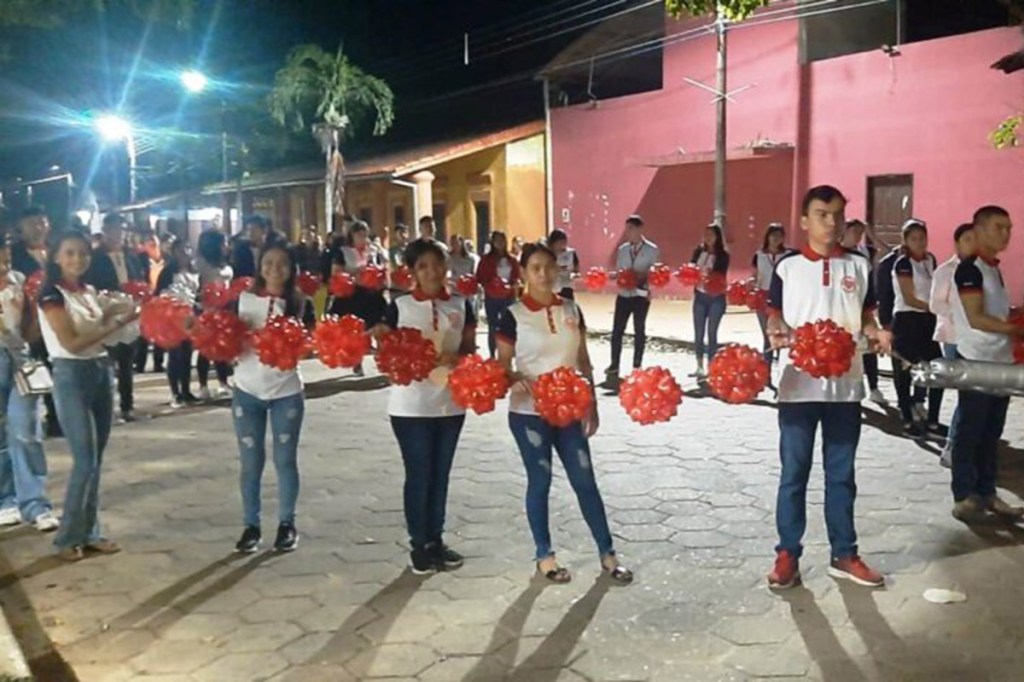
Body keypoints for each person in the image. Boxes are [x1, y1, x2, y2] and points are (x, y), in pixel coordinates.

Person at [766, 185, 891, 590]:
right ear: (804, 221)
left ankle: (844, 553)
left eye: (837, 213)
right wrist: (776, 331)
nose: (832, 221)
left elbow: (868, 316)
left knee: (842, 474)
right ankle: (788, 554)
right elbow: (775, 318)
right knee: (794, 473)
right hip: (798, 388)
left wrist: (876, 333)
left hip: (845, 388)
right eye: (822, 213)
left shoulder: (859, 264)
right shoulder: (786, 266)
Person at [496, 242, 633, 585]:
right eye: (535, 268)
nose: (543, 274)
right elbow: (501, 367)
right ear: (524, 273)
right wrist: (513, 378)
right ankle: (545, 555)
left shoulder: (572, 309)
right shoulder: (512, 315)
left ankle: (608, 552)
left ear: (559, 269)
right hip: (529, 414)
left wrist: (592, 402)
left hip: (570, 411)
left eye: (549, 266)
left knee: (585, 479)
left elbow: (583, 359)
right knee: (540, 480)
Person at [379, 239, 476, 573]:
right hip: (410, 407)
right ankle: (418, 544)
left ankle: (436, 539)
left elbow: (471, 351)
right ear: (412, 271)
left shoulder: (463, 304)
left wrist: (458, 358)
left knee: (441, 475)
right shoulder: (399, 306)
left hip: (450, 405)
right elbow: (386, 354)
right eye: (423, 266)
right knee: (419, 474)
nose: (432, 271)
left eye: (437, 263)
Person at [39, 230, 137, 561]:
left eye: (82, 253)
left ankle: (90, 532)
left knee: (96, 459)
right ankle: (67, 537)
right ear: (56, 257)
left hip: (99, 371)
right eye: (69, 253)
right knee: (84, 459)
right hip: (70, 376)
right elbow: (72, 342)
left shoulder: (89, 291)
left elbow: (99, 329)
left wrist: (120, 313)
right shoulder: (51, 296)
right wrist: (116, 323)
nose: (77, 259)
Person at [948, 205, 1024, 523]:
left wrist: (1013, 316)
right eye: (998, 227)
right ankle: (965, 495)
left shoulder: (994, 269)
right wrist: (1016, 328)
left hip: (1000, 361)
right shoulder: (970, 270)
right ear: (978, 229)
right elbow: (976, 318)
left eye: (1008, 228)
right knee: (970, 430)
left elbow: (995, 310)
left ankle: (988, 492)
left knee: (991, 432)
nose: (1005, 234)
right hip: (977, 361)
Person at [231, 243, 309, 553]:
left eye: (282, 264)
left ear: (291, 269)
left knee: (285, 461)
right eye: (269, 262)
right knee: (251, 463)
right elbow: (222, 338)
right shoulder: (241, 300)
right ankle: (251, 526)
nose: (275, 268)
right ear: (259, 265)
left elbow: (309, 344)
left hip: (286, 393)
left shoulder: (299, 303)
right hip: (246, 392)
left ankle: (287, 524)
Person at [0, 234, 59, 532]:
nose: (4, 264)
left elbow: (30, 333)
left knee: (26, 430)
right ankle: (5, 500)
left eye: (6, 258)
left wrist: (36, 312)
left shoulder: (19, 282)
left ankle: (35, 503)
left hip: (20, 360)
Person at [85, 213, 147, 423]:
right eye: (113, 230)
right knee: (107, 363)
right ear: (105, 230)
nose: (117, 234)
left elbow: (140, 277)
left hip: (130, 313)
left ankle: (127, 406)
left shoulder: (131, 256)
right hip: (109, 312)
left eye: (120, 229)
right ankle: (106, 409)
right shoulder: (95, 257)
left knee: (127, 363)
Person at [11, 207, 60, 438]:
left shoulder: (57, 252)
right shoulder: (13, 255)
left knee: (56, 370)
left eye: (42, 222)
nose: (38, 228)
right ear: (21, 227)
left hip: (56, 319)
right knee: (33, 370)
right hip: (27, 324)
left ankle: (56, 417)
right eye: (32, 224)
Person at [891, 222, 943, 438]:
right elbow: (909, 297)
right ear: (906, 240)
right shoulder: (903, 263)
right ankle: (907, 417)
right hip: (907, 319)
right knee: (904, 369)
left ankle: (933, 420)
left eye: (922, 237)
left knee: (938, 369)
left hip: (927, 320)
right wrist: (935, 308)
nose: (919, 242)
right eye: (914, 238)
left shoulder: (930, 260)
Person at [929, 223, 975, 468]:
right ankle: (952, 446)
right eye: (968, 239)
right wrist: (963, 315)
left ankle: (968, 446)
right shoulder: (946, 271)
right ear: (957, 243)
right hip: (955, 337)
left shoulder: (983, 270)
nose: (973, 244)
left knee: (974, 396)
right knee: (965, 395)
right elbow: (936, 304)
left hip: (978, 339)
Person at [602, 215, 659, 389]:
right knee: (617, 330)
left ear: (639, 229)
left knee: (639, 329)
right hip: (624, 294)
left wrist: (641, 278)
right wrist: (616, 276)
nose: (627, 233)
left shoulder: (652, 249)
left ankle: (636, 365)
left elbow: (656, 273)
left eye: (631, 229)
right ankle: (614, 365)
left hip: (640, 295)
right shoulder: (623, 249)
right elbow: (620, 270)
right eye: (626, 229)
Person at [329, 221, 387, 376]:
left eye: (365, 234)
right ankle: (357, 362)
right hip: (352, 296)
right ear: (352, 236)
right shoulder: (343, 252)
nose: (362, 237)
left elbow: (382, 267)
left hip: (372, 295)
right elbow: (336, 273)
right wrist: (356, 274)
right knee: (356, 331)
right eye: (359, 234)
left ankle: (386, 361)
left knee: (380, 327)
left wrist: (378, 274)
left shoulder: (373, 250)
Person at [841, 220, 887, 404]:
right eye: (855, 232)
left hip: (864, 304)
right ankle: (850, 387)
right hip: (845, 307)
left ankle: (874, 388)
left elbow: (888, 252)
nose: (858, 236)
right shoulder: (838, 252)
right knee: (849, 349)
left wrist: (871, 233)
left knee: (869, 348)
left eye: (861, 233)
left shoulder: (865, 251)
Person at [155, 237, 201, 408]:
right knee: (175, 355)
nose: (185, 253)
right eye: (181, 249)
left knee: (187, 356)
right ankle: (176, 393)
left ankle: (186, 390)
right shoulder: (167, 272)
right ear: (174, 252)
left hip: (190, 318)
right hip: (172, 319)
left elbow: (198, 293)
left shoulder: (194, 271)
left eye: (188, 249)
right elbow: (159, 294)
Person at [195, 230, 234, 400]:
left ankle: (223, 381)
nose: (226, 246)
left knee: (222, 346)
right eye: (223, 242)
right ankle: (203, 385)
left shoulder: (224, 262)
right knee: (205, 348)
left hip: (224, 307)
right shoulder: (201, 263)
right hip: (207, 309)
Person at [690, 223, 729, 378]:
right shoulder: (698, 251)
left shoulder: (723, 255)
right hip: (700, 296)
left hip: (716, 298)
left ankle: (711, 366)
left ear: (717, 237)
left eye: (711, 235)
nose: (707, 237)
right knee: (698, 332)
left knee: (712, 333)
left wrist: (706, 275)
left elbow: (719, 275)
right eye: (705, 234)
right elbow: (690, 268)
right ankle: (699, 366)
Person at [475, 231, 521, 359]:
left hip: (508, 296)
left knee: (509, 325)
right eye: (497, 240)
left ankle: (509, 354)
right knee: (493, 326)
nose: (500, 243)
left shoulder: (511, 259)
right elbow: (479, 277)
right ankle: (492, 355)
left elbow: (517, 276)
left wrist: (514, 285)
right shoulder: (486, 259)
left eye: (503, 240)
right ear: (493, 243)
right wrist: (490, 286)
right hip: (492, 297)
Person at [752, 223, 789, 368]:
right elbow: (754, 275)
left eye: (779, 236)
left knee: (781, 335)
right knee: (767, 336)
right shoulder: (759, 255)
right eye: (773, 235)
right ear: (767, 237)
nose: (776, 239)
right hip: (763, 296)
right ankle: (765, 373)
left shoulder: (788, 255)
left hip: (783, 298)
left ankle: (781, 369)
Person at [133, 229, 166, 375]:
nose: (152, 244)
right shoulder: (141, 259)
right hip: (147, 300)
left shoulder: (165, 260)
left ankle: (158, 363)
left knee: (160, 333)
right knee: (144, 334)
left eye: (154, 241)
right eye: (149, 242)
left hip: (161, 299)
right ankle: (140, 364)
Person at [548, 229, 580, 300]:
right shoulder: (547, 254)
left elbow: (576, 269)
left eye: (564, 242)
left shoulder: (571, 253)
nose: (562, 245)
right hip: (551, 286)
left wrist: (575, 274)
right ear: (552, 243)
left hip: (566, 286)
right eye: (559, 242)